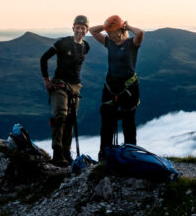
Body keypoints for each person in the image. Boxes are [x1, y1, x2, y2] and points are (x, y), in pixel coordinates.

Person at [88, 18, 144, 156]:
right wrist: (107, 26)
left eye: (112, 32)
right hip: (111, 86)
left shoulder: (132, 44)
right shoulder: (109, 43)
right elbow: (92, 30)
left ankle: (131, 154)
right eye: (108, 32)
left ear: (120, 31)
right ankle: (105, 154)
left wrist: (127, 26)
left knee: (128, 122)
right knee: (107, 122)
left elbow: (140, 33)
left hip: (128, 87)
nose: (109, 35)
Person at [40, 15, 90, 167]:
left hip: (75, 87)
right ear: (73, 27)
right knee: (60, 115)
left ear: (86, 30)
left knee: (71, 119)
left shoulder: (86, 46)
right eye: (77, 27)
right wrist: (46, 80)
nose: (79, 30)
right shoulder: (63, 43)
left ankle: (67, 154)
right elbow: (44, 58)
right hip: (59, 84)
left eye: (83, 28)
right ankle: (57, 154)